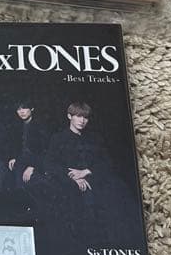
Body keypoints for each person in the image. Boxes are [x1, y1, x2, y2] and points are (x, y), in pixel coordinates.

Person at [44, 102, 141, 247]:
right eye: (78, 116)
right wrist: (73, 179)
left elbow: (107, 162)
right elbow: (50, 164)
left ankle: (118, 244)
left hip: (96, 178)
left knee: (118, 192)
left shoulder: (95, 138)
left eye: (85, 117)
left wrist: (87, 171)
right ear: (69, 116)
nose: (82, 121)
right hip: (69, 181)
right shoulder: (58, 138)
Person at [7, 103, 50, 189]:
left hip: (37, 163)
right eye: (19, 109)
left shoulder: (41, 125)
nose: (21, 112)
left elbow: (46, 150)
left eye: (24, 108)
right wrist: (13, 157)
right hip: (21, 161)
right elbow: (16, 145)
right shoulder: (17, 126)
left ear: (32, 109)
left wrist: (33, 167)